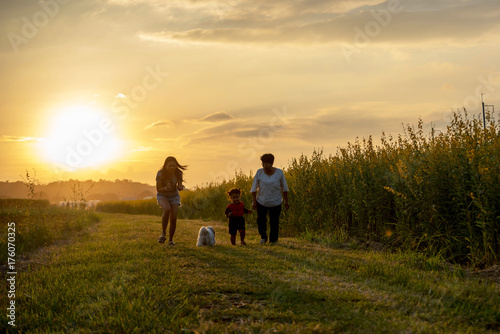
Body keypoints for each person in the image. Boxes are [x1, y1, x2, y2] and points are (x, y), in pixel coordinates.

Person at [251, 153, 289, 245]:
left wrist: (286, 202)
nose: (264, 166)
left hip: (275, 202)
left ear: (271, 163)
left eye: (267, 163)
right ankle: (263, 237)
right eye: (263, 164)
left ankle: (273, 240)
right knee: (261, 221)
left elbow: (284, 188)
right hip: (261, 201)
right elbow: (253, 189)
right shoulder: (259, 172)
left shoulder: (279, 173)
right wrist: (254, 201)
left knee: (274, 222)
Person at [156, 156, 186, 245]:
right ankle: (163, 234)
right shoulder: (160, 173)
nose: (172, 168)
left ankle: (171, 240)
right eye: (170, 166)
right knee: (167, 209)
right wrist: (165, 188)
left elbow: (180, 186)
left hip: (174, 196)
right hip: (162, 195)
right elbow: (158, 189)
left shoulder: (179, 173)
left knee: (173, 217)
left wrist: (180, 187)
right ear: (165, 166)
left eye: (174, 166)